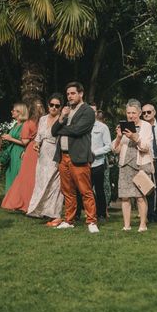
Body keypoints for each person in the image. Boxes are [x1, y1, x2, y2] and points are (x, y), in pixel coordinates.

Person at [51, 81, 99, 233]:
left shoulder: (88, 111)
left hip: (78, 157)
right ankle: (69, 220)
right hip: (63, 156)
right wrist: (61, 118)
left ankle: (91, 221)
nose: (70, 96)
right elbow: (53, 131)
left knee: (85, 191)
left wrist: (61, 128)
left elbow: (77, 130)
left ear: (81, 93)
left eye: (73, 93)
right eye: (68, 94)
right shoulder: (65, 111)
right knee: (68, 191)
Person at [112, 99, 154, 232]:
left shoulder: (146, 126)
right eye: (128, 113)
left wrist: (135, 137)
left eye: (134, 113)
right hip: (125, 165)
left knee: (140, 197)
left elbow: (146, 147)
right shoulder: (124, 126)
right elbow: (115, 150)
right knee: (125, 197)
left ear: (140, 113)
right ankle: (127, 225)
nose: (131, 116)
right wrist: (119, 137)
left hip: (140, 165)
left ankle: (142, 224)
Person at [27, 94, 64, 226]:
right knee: (41, 183)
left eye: (57, 106)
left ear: (61, 108)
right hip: (42, 155)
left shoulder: (62, 120)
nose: (54, 108)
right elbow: (38, 136)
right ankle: (39, 210)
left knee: (55, 185)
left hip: (55, 153)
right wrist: (36, 143)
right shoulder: (42, 119)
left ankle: (55, 214)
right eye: (51, 105)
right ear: (48, 105)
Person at [1, 100, 43, 211]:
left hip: (25, 151)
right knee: (18, 176)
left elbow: (25, 141)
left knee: (25, 177)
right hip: (18, 151)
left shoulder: (34, 123)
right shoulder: (23, 124)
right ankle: (15, 200)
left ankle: (24, 202)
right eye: (37, 108)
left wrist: (10, 139)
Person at [89, 103, 112, 222]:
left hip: (97, 163)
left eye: (94, 111)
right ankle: (89, 213)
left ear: (96, 113)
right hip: (83, 163)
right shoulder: (81, 126)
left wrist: (94, 153)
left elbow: (109, 146)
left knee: (99, 189)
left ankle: (102, 214)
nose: (91, 113)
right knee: (85, 190)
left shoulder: (102, 127)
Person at [0, 103, 28, 191]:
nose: (12, 112)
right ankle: (9, 200)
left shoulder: (24, 125)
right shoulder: (16, 125)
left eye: (14, 110)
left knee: (17, 175)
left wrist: (10, 138)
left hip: (19, 153)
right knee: (10, 174)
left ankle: (17, 200)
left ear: (20, 112)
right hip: (11, 153)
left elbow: (25, 142)